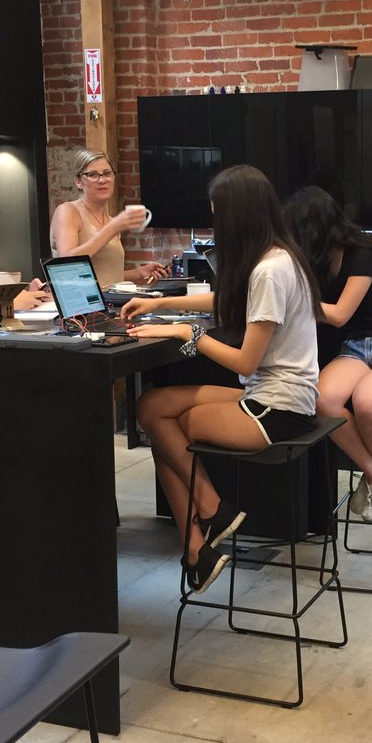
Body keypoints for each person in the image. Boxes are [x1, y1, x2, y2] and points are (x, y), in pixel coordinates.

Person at [122, 164, 322, 593]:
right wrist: (158, 304)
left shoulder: (270, 271)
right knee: (150, 408)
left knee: (169, 429)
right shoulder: (275, 258)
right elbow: (228, 299)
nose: (216, 227)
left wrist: (188, 334)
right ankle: (204, 534)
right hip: (268, 395)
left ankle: (207, 525)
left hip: (279, 408)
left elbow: (246, 362)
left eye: (218, 216)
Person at [284, 186, 372, 522]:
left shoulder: (364, 251)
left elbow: (341, 314)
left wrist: (291, 301)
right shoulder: (316, 260)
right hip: (355, 348)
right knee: (321, 401)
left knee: (367, 403)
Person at [49, 148, 167, 288]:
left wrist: (138, 273)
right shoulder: (68, 211)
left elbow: (105, 276)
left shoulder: (110, 221)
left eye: (107, 173)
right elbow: (67, 263)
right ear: (78, 182)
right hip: (79, 300)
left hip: (110, 300)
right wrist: (113, 228)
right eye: (93, 175)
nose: (102, 180)